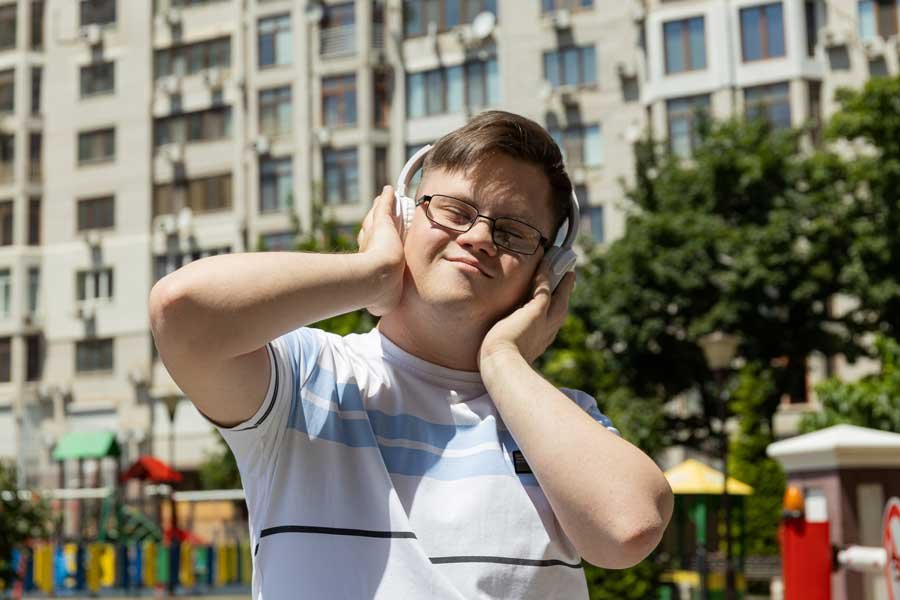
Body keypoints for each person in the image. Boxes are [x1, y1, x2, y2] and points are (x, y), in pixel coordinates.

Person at [149, 110, 673, 599]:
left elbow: (628, 529)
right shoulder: (305, 375)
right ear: (402, 217)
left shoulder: (559, 418)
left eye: (513, 231)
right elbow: (182, 311)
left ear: (548, 272)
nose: (480, 237)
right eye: (455, 210)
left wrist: (503, 361)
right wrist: (372, 274)